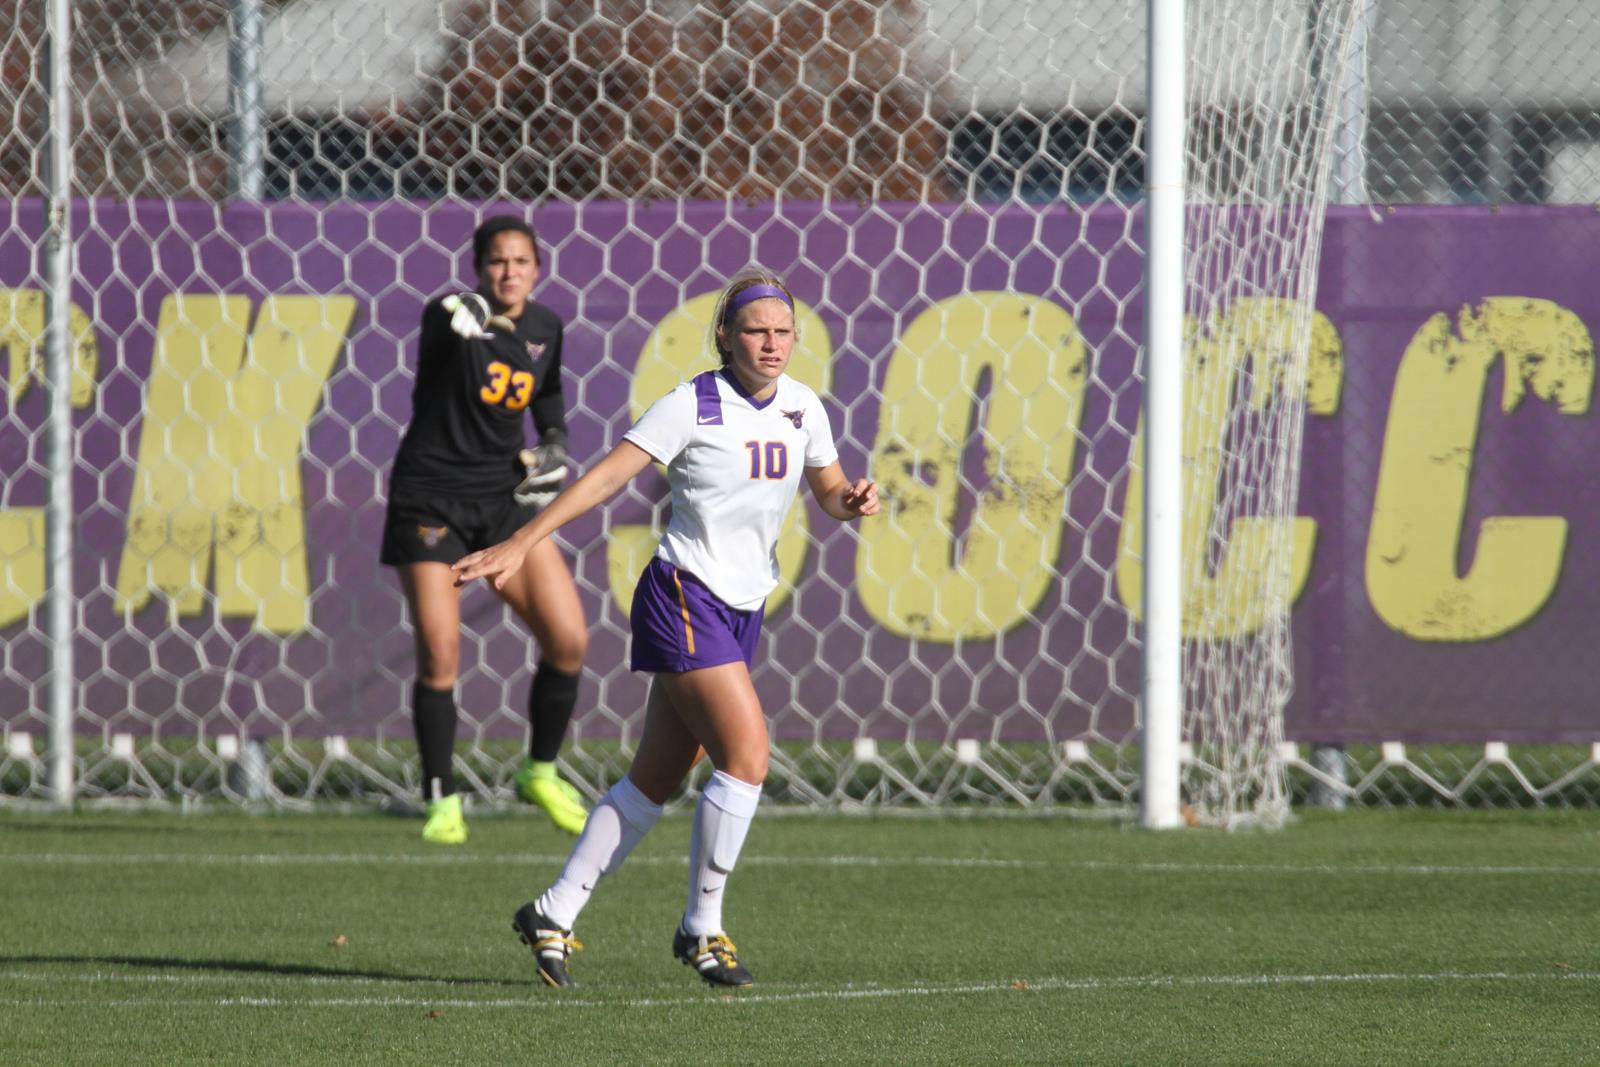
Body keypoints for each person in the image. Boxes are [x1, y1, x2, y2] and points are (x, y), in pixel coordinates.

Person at [452, 268, 879, 989]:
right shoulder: (692, 404)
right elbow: (605, 478)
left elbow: (829, 490)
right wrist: (522, 541)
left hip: (741, 606)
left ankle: (552, 911)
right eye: (756, 330)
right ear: (726, 336)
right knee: (747, 757)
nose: (772, 343)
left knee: (656, 777)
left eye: (783, 331)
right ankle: (702, 928)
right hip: (684, 593)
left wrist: (852, 498)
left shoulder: (803, 406)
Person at [380, 215, 591, 844]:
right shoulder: (452, 318)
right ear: (478, 268)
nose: (509, 272)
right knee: (441, 652)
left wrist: (554, 442)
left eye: (521, 261)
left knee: (568, 641)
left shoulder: (546, 327)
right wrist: (460, 311)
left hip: (503, 504)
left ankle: (539, 772)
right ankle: (442, 799)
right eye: (498, 261)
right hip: (431, 501)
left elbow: (547, 397)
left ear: (538, 268)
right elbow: (446, 318)